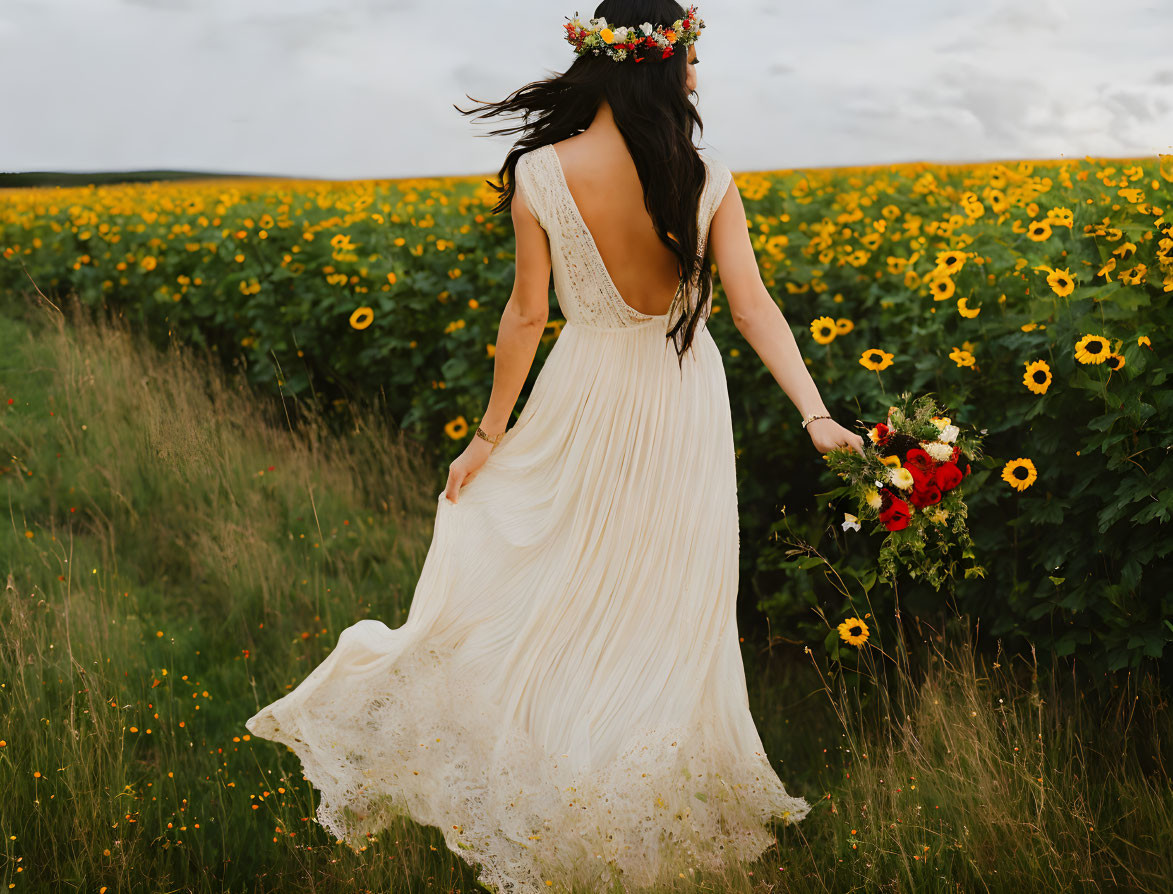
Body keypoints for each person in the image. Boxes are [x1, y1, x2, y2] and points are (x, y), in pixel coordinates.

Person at [245, 3, 866, 892]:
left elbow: (529, 314)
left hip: (584, 389)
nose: (697, 75)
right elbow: (752, 306)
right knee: (664, 607)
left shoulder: (541, 172)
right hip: (681, 396)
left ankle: (568, 777)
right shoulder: (707, 175)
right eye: (690, 57)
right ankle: (631, 803)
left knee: (560, 584)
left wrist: (489, 434)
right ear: (659, 67)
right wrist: (813, 413)